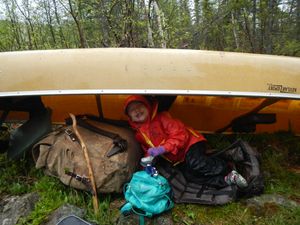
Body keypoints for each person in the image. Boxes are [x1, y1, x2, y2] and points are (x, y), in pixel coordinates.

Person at [124, 95, 248, 189]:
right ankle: (226, 179)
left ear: (148, 107)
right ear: (129, 116)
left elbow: (180, 135)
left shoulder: (162, 118)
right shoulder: (140, 135)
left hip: (190, 143)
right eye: (132, 110)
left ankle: (228, 167)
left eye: (140, 106)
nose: (137, 111)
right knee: (190, 176)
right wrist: (145, 167)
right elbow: (148, 153)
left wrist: (163, 148)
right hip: (179, 158)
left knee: (196, 163)